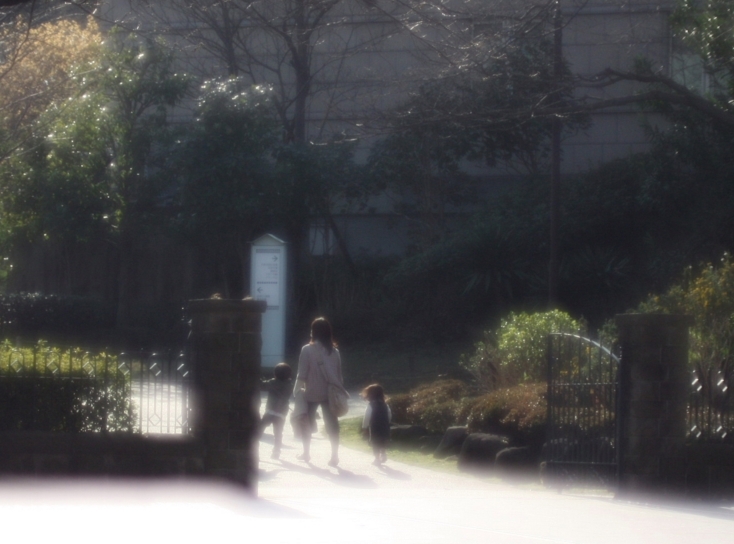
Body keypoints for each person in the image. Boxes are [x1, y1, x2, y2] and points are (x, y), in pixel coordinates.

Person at [294, 317, 344, 466]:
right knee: (332, 424)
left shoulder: (307, 350)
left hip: (311, 392)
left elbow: (302, 374)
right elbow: (339, 375)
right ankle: (334, 455)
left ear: (313, 332)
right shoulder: (335, 352)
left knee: (306, 423)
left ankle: (306, 453)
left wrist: (296, 392)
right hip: (330, 393)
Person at [260, 362, 292, 459]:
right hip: (281, 413)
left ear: (275, 373)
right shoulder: (289, 385)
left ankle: (253, 447)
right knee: (278, 433)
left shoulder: (272, 382)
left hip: (270, 411)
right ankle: (276, 451)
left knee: (260, 428)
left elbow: (261, 385)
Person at [361, 383, 391, 465]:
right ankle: (383, 454)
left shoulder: (371, 405)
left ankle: (377, 459)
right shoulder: (385, 405)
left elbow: (367, 416)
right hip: (385, 426)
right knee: (383, 441)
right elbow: (389, 415)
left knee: (375, 443)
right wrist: (387, 422)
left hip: (375, 427)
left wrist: (364, 426)